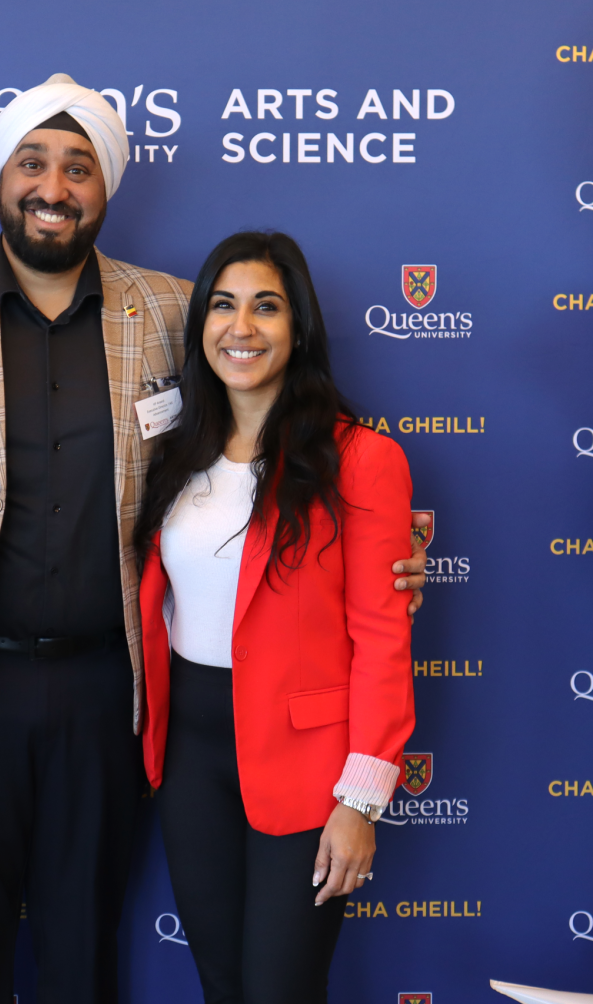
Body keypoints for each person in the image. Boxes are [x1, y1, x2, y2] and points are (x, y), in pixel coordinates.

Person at [0, 74, 429, 1004]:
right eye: (33, 162)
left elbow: (280, 457)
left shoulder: (168, 311)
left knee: (86, 944)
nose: (54, 186)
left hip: (106, 689)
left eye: (79, 167)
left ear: (105, 188)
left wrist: (391, 549)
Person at [134, 231, 416, 1004]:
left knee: (279, 991)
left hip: (307, 765)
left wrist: (359, 801)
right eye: (223, 306)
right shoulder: (176, 453)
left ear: (300, 328)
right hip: (191, 756)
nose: (242, 327)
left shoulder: (359, 458)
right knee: (223, 984)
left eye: (267, 307)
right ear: (201, 325)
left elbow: (385, 638)